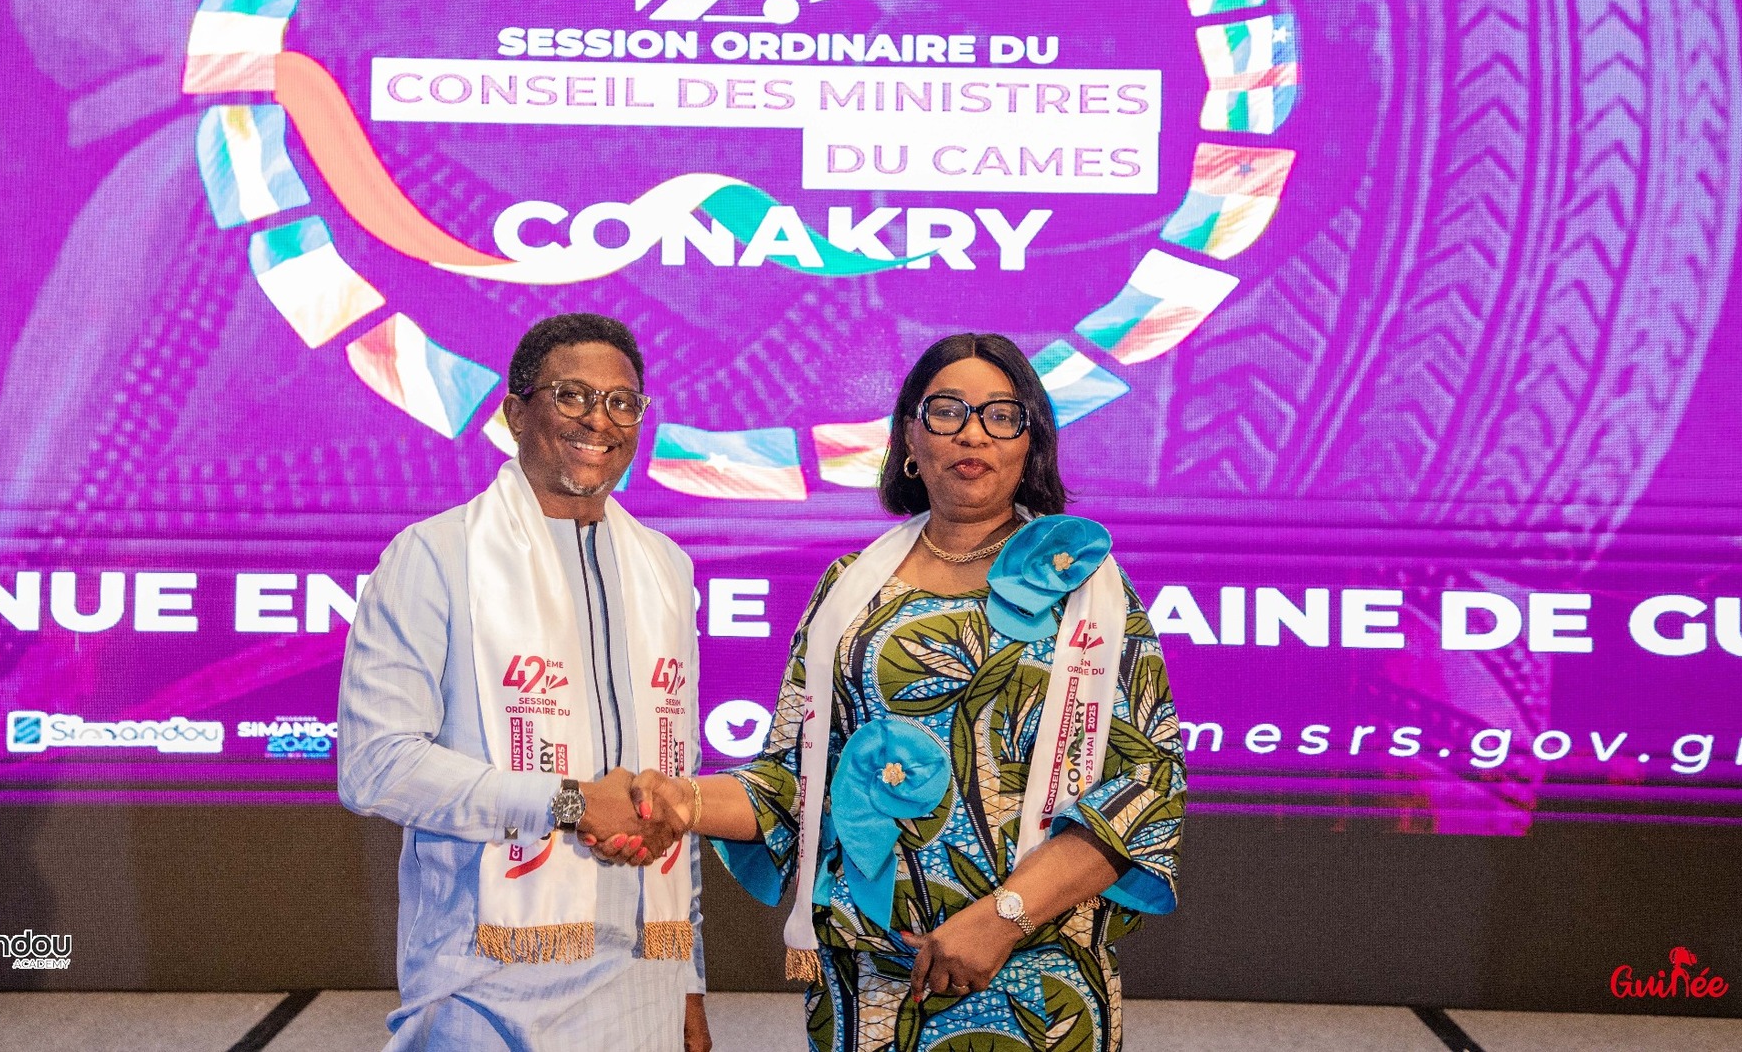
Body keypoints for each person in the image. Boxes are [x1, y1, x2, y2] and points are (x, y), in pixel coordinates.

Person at [607, 332, 1185, 1052]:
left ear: (1030, 442)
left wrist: (1000, 918)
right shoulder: (851, 589)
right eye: (947, 410)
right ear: (910, 435)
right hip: (869, 983)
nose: (973, 432)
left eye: (1002, 415)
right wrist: (679, 800)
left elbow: (1145, 786)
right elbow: (791, 783)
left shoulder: (1087, 590)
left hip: (1038, 979)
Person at [338, 313, 710, 1052]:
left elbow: (677, 782)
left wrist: (691, 982)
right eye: (572, 395)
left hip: (644, 980)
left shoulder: (665, 568)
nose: (599, 420)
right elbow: (374, 766)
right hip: (484, 984)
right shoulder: (435, 556)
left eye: (622, 402)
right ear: (515, 413)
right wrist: (568, 802)